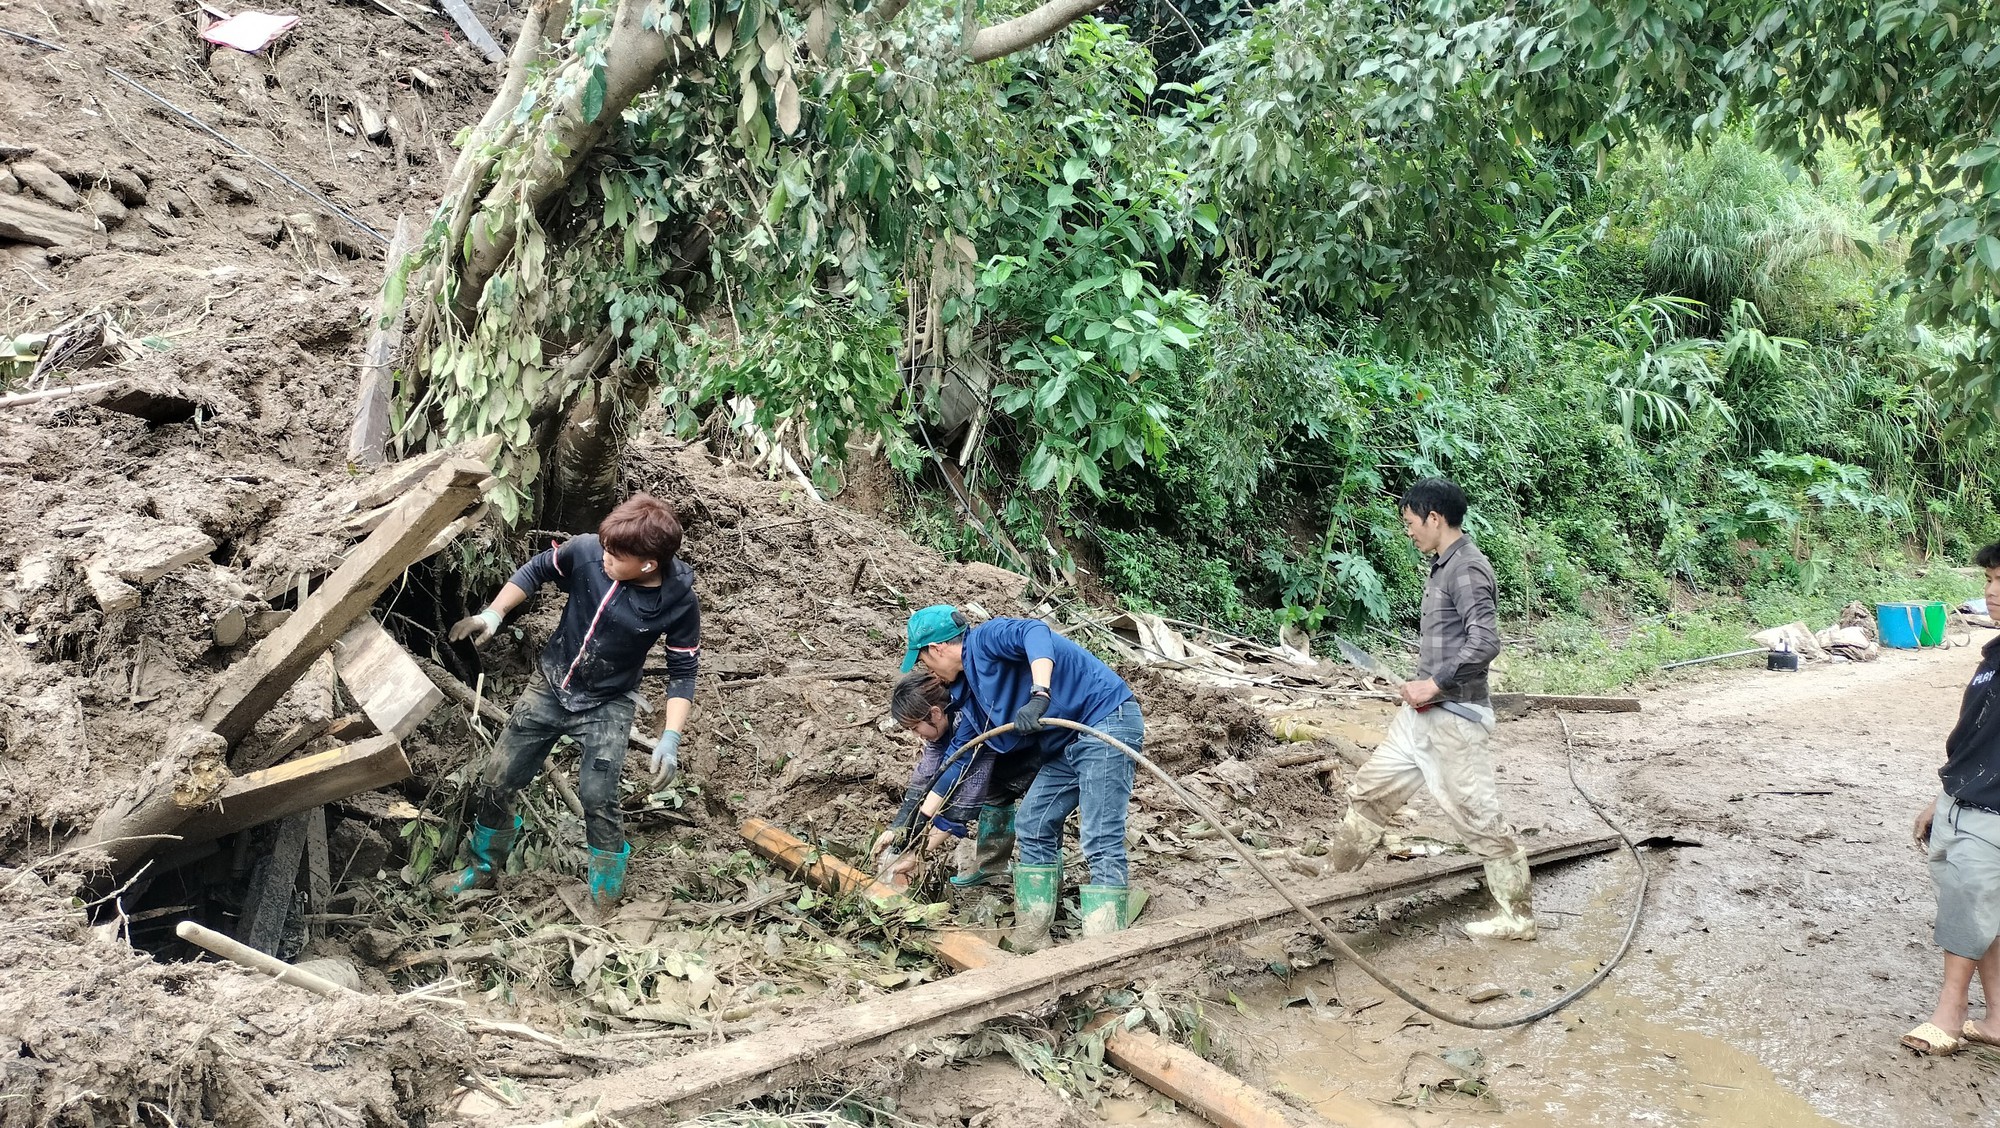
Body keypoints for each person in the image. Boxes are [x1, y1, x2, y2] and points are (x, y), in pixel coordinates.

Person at [440, 493, 700, 907]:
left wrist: (671, 737)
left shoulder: (679, 602)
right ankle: (483, 869)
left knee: (598, 795)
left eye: (617, 556)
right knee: (498, 777)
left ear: (648, 564)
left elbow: (683, 670)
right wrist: (493, 613)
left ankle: (604, 895)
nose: (606, 559)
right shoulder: (588, 551)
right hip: (550, 684)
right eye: (606, 549)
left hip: (609, 702)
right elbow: (536, 569)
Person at [1323, 478, 1532, 940]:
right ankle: (1333, 878)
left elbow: (1485, 641)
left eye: (1411, 523)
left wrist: (1434, 684)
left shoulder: (1467, 570)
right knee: (1371, 791)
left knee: (1477, 816)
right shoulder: (1444, 566)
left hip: (1454, 718)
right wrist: (1424, 689)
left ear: (1434, 517)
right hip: (1420, 717)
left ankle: (1517, 918)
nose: (1410, 532)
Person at [889, 605, 1144, 949]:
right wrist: (911, 837)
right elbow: (953, 769)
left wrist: (1040, 695)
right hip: (1065, 744)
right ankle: (1034, 936)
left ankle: (1105, 950)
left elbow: (1036, 633)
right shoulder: (973, 692)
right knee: (1033, 822)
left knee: (1100, 835)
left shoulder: (984, 640)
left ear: (937, 649)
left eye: (924, 660)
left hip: (1103, 722)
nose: (928, 670)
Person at [1903, 544, 2000, 1055]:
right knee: (1985, 912)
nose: (1990, 591)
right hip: (1963, 802)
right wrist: (1941, 797)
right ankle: (1998, 1017)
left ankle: (1951, 1009)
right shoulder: (1993, 657)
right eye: (1989, 579)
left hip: (1992, 814)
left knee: (1967, 904)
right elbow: (1976, 740)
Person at [873, 669, 1052, 891]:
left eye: (914, 728)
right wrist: (897, 828)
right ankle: (992, 869)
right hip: (1006, 753)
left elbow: (961, 802)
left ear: (935, 713)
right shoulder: (943, 727)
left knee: (1035, 820)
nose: (915, 736)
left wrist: (919, 854)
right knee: (993, 794)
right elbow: (924, 780)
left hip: (1039, 750)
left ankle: (1042, 895)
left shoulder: (972, 723)